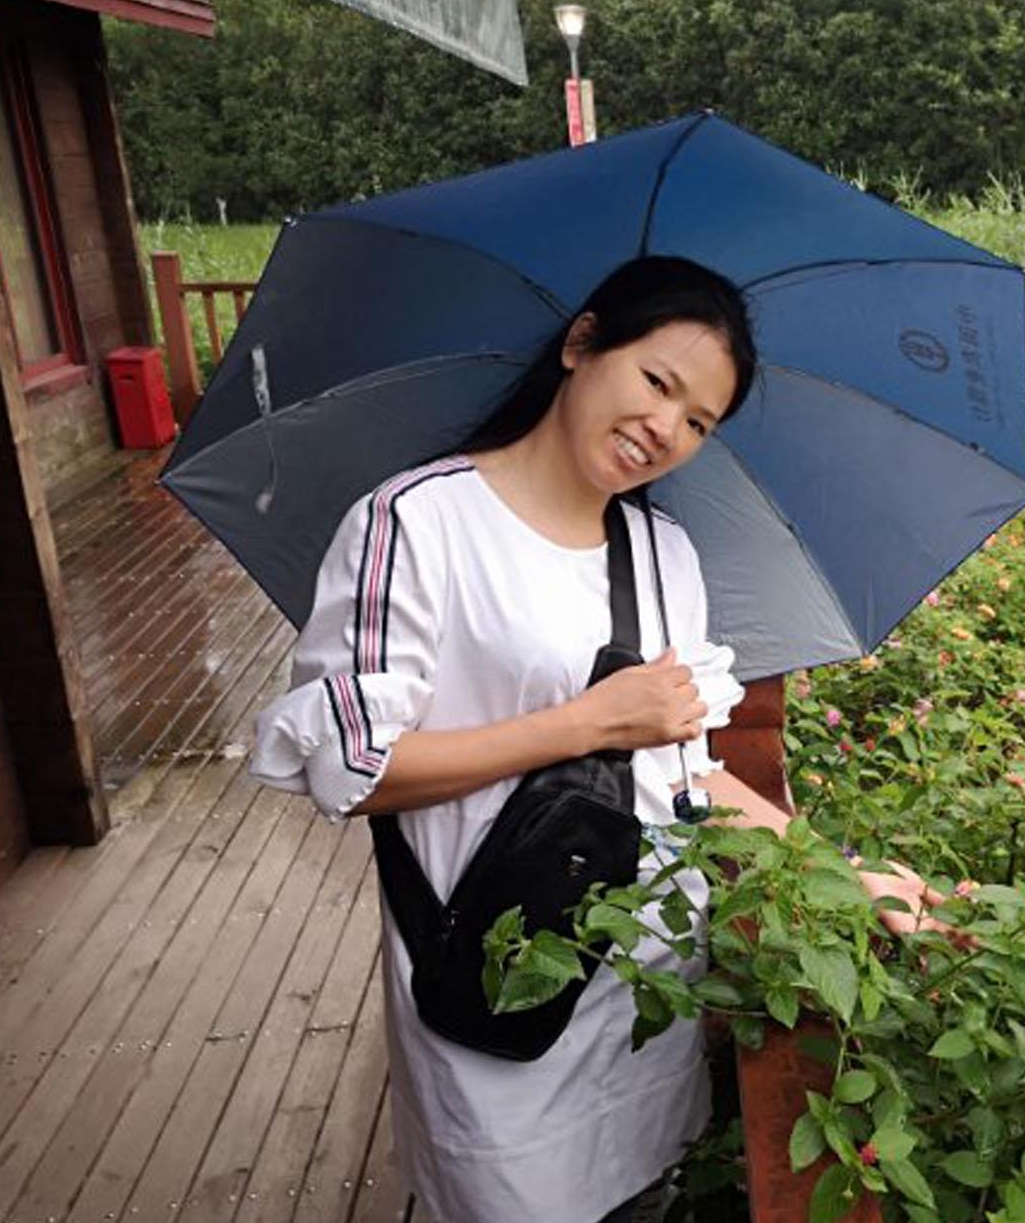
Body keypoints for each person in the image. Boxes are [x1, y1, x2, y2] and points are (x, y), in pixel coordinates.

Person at [249, 256, 937, 1223]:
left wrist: (840, 873)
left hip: (645, 997)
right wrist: (585, 722)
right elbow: (355, 771)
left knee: (644, 1197)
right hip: (498, 996)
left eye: (699, 422)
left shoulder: (665, 555)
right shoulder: (416, 524)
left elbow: (684, 776)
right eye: (657, 382)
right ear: (581, 345)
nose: (667, 429)